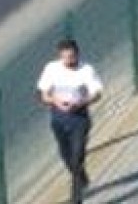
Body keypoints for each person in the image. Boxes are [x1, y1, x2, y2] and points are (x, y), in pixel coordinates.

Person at [36, 39, 102, 203]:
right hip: (58, 118)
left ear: (77, 54)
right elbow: (42, 94)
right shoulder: (51, 68)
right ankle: (81, 176)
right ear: (60, 57)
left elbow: (97, 93)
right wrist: (56, 101)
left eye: (72, 57)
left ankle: (76, 198)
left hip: (79, 118)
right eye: (65, 58)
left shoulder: (86, 70)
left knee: (77, 156)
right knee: (66, 155)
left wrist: (81, 102)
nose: (69, 61)